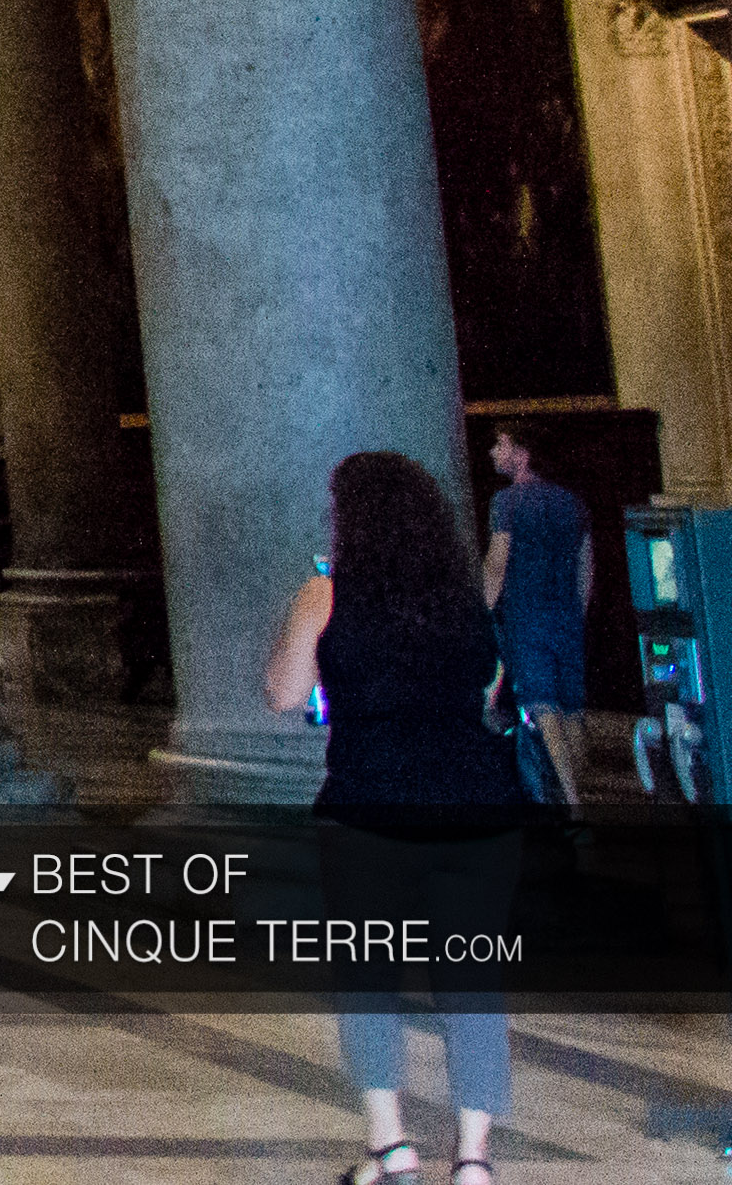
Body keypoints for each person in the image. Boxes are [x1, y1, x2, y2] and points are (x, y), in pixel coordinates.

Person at [271, 449, 531, 1185]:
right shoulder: (465, 600)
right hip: (476, 806)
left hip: (370, 805)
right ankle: (474, 1159)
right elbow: (487, 691)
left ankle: (392, 1149)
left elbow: (286, 695)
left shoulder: (323, 595)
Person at [478, 424, 593, 808]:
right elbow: (586, 563)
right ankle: (581, 790)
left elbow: (496, 564)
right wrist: (578, 610)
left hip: (526, 616)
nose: (494, 451)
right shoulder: (573, 503)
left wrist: (480, 609)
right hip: (567, 615)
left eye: (501, 444)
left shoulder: (506, 502)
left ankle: (573, 803)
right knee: (572, 708)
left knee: (542, 707)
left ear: (521, 454)